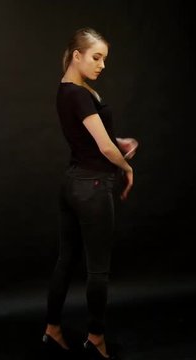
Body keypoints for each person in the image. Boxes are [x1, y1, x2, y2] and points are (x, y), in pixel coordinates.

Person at [42, 28, 134, 360]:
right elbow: (105, 148)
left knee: (66, 260)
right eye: (96, 57)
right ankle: (95, 338)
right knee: (97, 270)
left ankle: (52, 329)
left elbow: (95, 139)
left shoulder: (67, 91)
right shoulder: (79, 94)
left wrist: (119, 144)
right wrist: (126, 166)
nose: (102, 65)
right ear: (77, 55)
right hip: (93, 187)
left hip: (72, 182)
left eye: (104, 59)